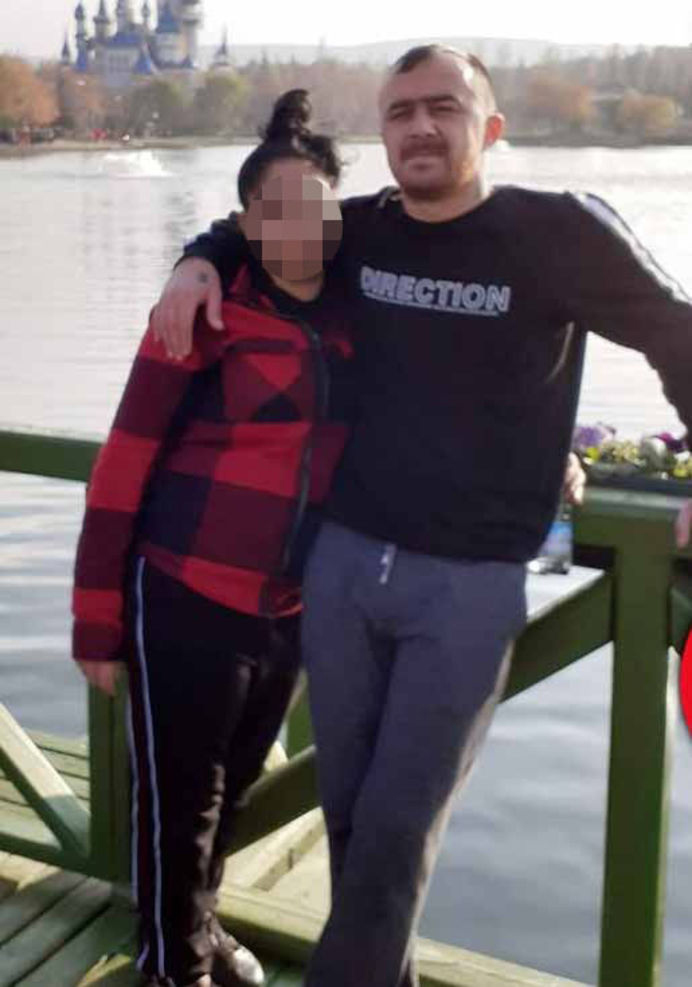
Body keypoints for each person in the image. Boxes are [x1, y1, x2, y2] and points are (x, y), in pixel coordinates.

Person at [151, 46, 692, 987]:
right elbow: (259, 227)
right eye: (400, 112)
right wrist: (199, 260)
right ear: (383, 133)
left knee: (398, 828)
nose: (421, 126)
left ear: (491, 127)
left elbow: (676, 328)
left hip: (468, 585)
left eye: (444, 107)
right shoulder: (363, 229)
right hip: (342, 568)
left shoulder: (558, 230)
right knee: (352, 818)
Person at [72, 90, 353, 987]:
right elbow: (121, 466)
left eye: (312, 204)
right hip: (183, 590)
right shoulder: (204, 312)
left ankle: (197, 932)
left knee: (231, 789)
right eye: (272, 208)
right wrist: (95, 620)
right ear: (245, 221)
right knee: (180, 802)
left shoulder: (358, 309)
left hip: (289, 605)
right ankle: (173, 968)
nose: (294, 224)